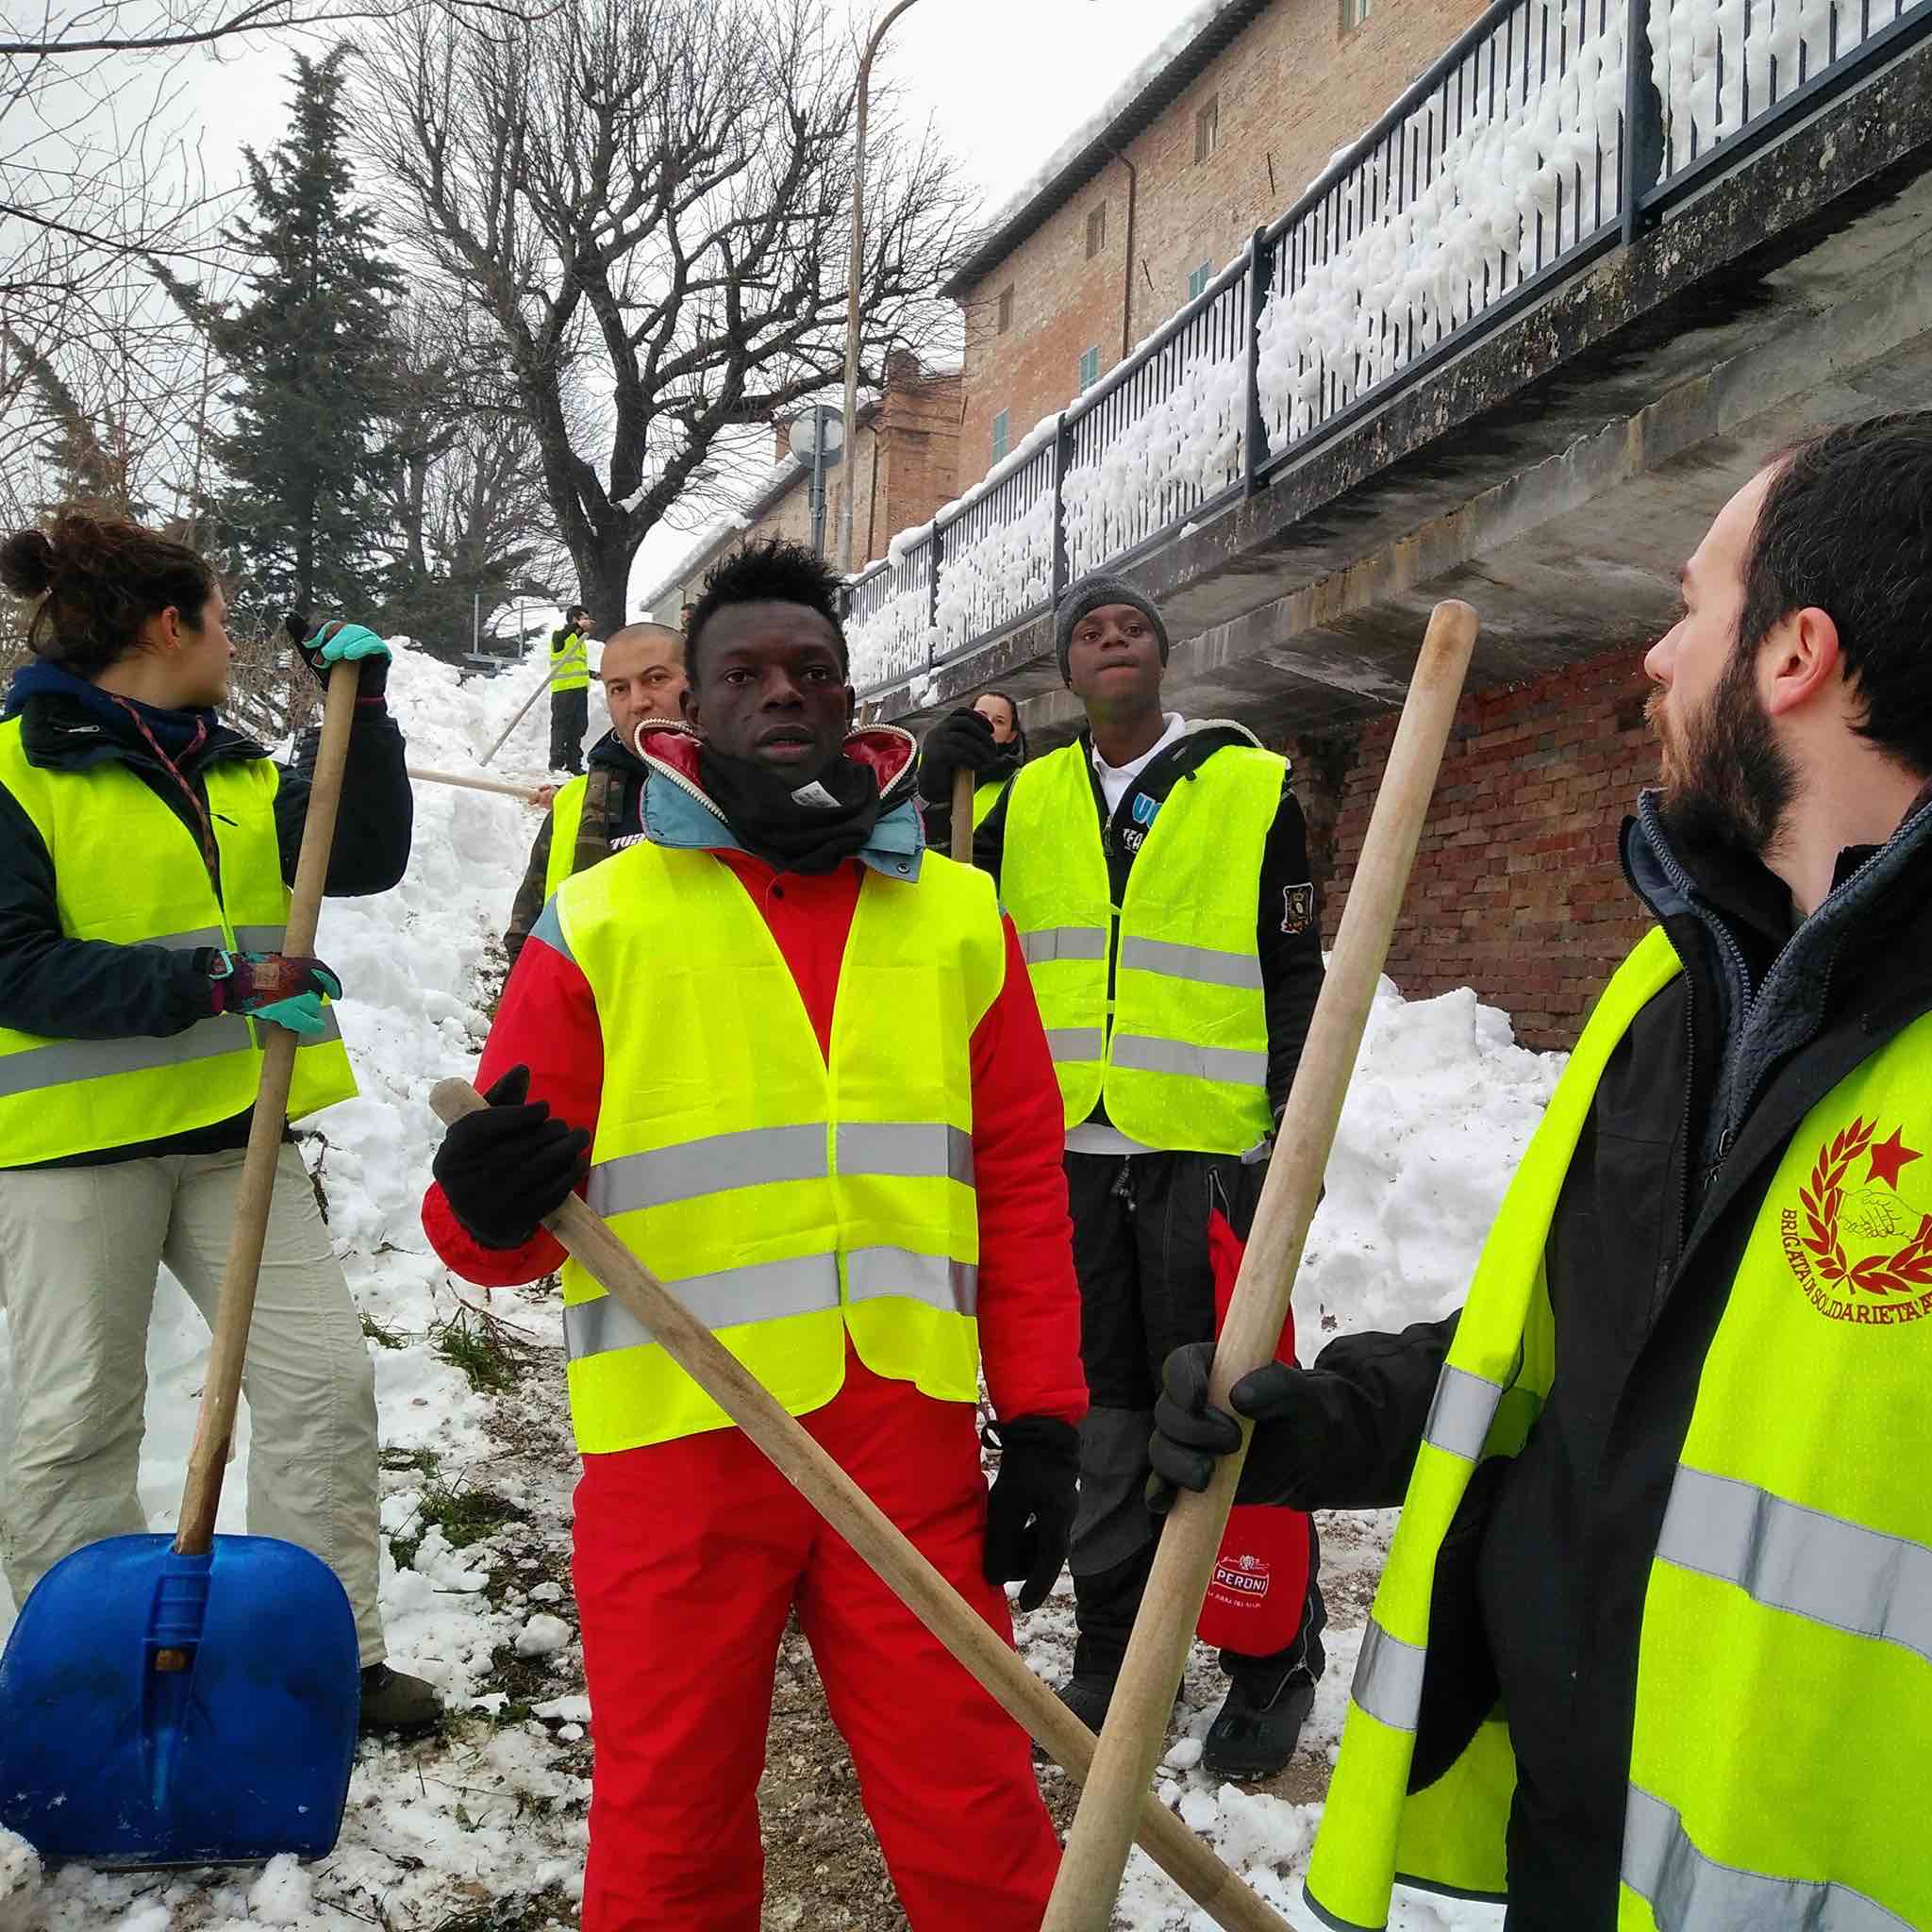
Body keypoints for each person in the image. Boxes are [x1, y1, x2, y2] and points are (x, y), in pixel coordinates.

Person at [1151, 412, 1932, 1931]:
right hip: (1585, 1846)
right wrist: (1320, 1421)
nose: (1654, 656)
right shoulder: (1672, 984)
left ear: (1797, 656)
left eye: (1691, 605)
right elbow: (1583, 1363)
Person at [421, 537, 1086, 1930]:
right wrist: (484, 1200)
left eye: (812, 670)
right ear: (690, 711)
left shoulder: (960, 921)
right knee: (669, 1836)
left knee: (977, 1809)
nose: (783, 692)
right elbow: (497, 1234)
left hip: (899, 1437)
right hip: (677, 1443)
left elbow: (1020, 1185)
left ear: (851, 697)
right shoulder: (600, 921)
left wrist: (1043, 1422)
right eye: (747, 672)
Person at [0, 510, 440, 1731]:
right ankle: (82, 1683)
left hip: (238, 1141)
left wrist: (368, 710)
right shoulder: (13, 773)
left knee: (320, 1389)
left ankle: (325, 1661)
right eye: (220, 616)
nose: (231, 637)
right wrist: (210, 989)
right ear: (167, 624)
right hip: (70, 1157)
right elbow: (13, 967)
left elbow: (361, 856)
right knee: (76, 1422)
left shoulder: (238, 772)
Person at [919, 571, 1328, 1778]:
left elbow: (1293, 967)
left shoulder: (1251, 787)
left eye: (1131, 626)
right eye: (1087, 629)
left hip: (1204, 1147)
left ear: (1161, 656)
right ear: (1062, 668)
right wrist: (928, 769)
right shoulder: (1019, 797)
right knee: (1099, 1406)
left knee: (1229, 1401)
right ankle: (1109, 1643)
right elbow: (932, 924)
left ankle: (1271, 1649)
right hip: (1064, 1156)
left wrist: (1288, 1134)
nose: (1111, 639)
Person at [504, 622, 688, 968]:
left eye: (656, 679)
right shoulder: (574, 805)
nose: (639, 702)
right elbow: (527, 941)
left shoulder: (745, 791)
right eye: (619, 689)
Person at [914, 688, 1027, 852]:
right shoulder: (927, 766)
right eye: (982, 716)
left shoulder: (1018, 784)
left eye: (999, 721)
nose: (988, 725)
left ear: (1011, 736)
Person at [547, 603, 592, 775]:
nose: (588, 622)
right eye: (584, 619)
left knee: (578, 727)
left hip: (580, 691)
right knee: (561, 727)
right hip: (564, 691)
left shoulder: (580, 642)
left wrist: (594, 674)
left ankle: (574, 764)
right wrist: (576, 627)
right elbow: (561, 639)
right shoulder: (560, 637)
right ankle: (556, 764)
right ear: (575, 620)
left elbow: (574, 666)